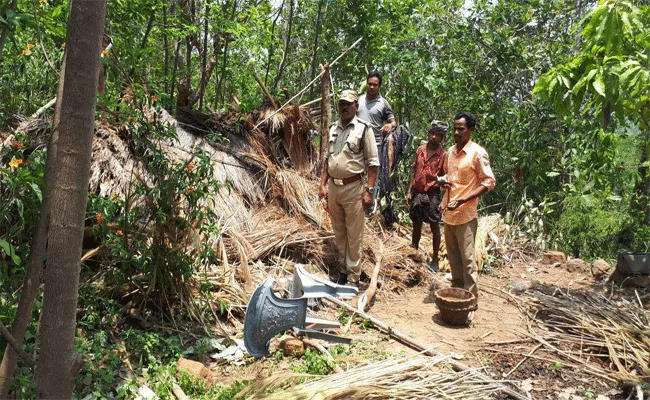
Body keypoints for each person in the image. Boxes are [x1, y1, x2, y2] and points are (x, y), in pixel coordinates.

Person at [319, 90, 379, 286]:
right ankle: (343, 271)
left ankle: (354, 277)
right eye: (341, 104)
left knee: (354, 235)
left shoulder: (363, 129)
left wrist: (369, 191)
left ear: (356, 106)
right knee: (339, 232)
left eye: (348, 104)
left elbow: (373, 163)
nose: (344, 107)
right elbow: (328, 160)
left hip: (353, 187)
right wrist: (322, 184)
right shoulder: (333, 128)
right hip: (334, 188)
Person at [441, 111, 496, 306]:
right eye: (454, 128)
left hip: (466, 215)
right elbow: (449, 179)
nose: (456, 132)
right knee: (454, 261)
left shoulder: (477, 153)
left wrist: (465, 198)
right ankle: (456, 299)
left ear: (470, 130)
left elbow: (489, 181)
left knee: (468, 262)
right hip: (449, 214)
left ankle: (471, 302)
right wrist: (443, 197)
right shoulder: (450, 152)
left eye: (461, 129)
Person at [405, 121, 447, 272]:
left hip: (432, 193)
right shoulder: (420, 150)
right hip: (418, 192)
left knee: (434, 225)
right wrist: (409, 191)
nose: (434, 137)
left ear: (442, 137)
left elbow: (444, 177)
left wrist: (444, 197)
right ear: (429, 133)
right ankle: (414, 252)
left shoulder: (443, 155)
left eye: (438, 135)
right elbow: (415, 172)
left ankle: (435, 259)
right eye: (432, 133)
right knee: (416, 223)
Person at [357, 71, 397, 215]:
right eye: (369, 84)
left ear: (379, 87)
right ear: (366, 84)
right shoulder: (359, 100)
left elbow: (393, 122)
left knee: (373, 176)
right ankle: (357, 203)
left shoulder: (383, 103)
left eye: (375, 85)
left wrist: (389, 126)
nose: (371, 87)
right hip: (358, 143)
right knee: (357, 172)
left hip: (376, 144)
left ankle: (370, 207)